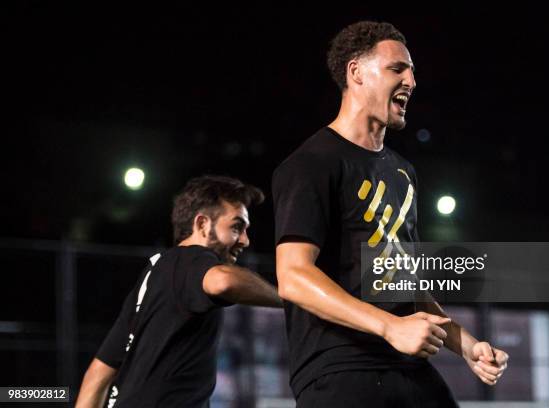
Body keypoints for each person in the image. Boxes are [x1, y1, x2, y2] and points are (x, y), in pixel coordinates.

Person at [272, 21, 509, 407]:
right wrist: (389, 326)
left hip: (408, 369)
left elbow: (403, 284)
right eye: (397, 68)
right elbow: (293, 276)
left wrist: (467, 345)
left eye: (412, 70)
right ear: (356, 73)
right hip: (341, 372)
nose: (411, 80)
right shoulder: (311, 164)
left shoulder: (402, 173)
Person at [76, 175, 282, 408]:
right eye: (237, 227)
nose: (245, 240)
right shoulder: (191, 257)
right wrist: (292, 297)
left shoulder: (152, 278)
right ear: (202, 224)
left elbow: (98, 374)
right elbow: (224, 281)